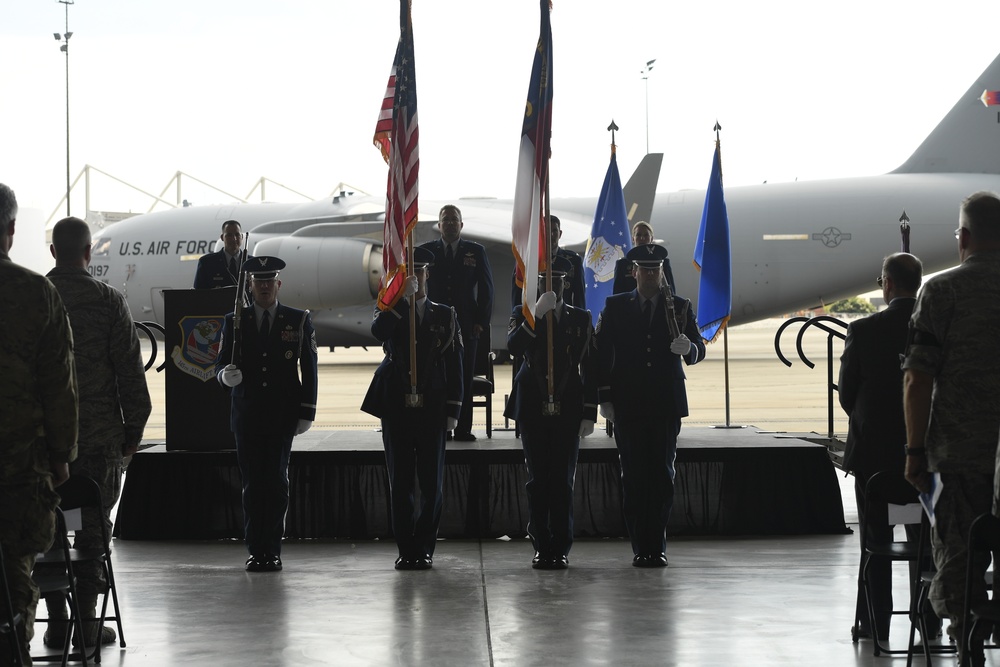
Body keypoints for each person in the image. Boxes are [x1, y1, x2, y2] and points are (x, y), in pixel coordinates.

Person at [42, 216, 152, 649]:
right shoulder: (108, 301)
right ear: (89, 253)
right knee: (92, 532)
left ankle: (54, 623)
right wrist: (133, 430)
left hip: (45, 444)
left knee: (49, 530)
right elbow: (130, 371)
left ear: (53, 252)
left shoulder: (36, 298)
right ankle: (88, 624)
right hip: (98, 441)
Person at [903, 192, 1000, 663]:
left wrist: (914, 452)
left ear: (963, 237)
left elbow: (917, 378)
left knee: (958, 560)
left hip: (957, 457)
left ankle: (968, 647)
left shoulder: (942, 291)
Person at [838, 252, 937, 642]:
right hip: (927, 453)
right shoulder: (936, 328)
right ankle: (927, 619)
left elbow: (847, 396)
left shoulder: (862, 330)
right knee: (927, 541)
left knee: (875, 542)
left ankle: (876, 622)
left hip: (874, 458)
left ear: (888, 284)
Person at [0, 183, 78, 663]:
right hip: (20, 469)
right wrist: (62, 458)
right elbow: (59, 388)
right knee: (15, 575)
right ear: (10, 230)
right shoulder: (36, 294)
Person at [595, 243, 705, 567]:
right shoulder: (615, 307)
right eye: (644, 270)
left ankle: (656, 546)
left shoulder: (680, 308)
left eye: (655, 270)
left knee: (661, 476)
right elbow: (601, 354)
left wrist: (690, 350)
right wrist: (604, 398)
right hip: (628, 404)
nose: (649, 275)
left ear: (662, 273)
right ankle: (639, 545)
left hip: (665, 405)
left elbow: (699, 346)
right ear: (633, 272)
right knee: (633, 477)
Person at [361, 247, 463, 570]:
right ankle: (406, 548)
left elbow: (455, 364)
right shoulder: (388, 308)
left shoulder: (445, 314)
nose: (414, 277)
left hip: (432, 407)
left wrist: (453, 409)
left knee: (432, 484)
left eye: (419, 271)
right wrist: (398, 302)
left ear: (427, 274)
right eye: (408, 272)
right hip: (397, 406)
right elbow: (378, 332)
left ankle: (425, 546)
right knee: (400, 482)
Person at [216, 256, 318, 572]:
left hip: (281, 415)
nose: (263, 287)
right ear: (250, 285)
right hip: (247, 415)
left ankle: (271, 550)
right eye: (258, 282)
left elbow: (310, 368)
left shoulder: (297, 319)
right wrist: (224, 376)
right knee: (252, 485)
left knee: (275, 483)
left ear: (278, 284)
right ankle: (255, 549)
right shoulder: (235, 320)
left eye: (268, 281)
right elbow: (219, 363)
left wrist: (307, 411)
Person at [505, 268, 597, 569]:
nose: (550, 286)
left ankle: (560, 546)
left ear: (565, 284)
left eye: (556, 280)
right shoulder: (523, 313)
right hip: (532, 406)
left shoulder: (580, 318)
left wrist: (589, 413)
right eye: (544, 281)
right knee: (538, 481)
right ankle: (541, 545)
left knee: (562, 480)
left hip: (568, 407)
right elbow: (513, 347)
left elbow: (590, 367)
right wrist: (535, 317)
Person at [419, 204, 494, 441]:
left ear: (461, 225)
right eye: (445, 220)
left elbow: (486, 288)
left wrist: (481, 320)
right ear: (439, 225)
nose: (450, 223)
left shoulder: (475, 251)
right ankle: (439, 426)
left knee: (463, 376)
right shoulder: (426, 252)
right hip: (434, 324)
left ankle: (463, 428)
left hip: (467, 325)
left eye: (454, 220)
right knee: (436, 377)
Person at [510, 215, 586, 310]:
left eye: (554, 231)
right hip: (536, 319)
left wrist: (579, 320)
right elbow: (517, 295)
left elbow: (579, 296)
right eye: (546, 230)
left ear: (560, 233)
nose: (551, 235)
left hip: (563, 319)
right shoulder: (527, 261)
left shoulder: (573, 261)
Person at [611, 221, 676, 296]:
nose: (642, 238)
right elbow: (617, 294)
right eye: (638, 235)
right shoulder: (623, 264)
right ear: (633, 239)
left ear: (651, 239)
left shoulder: (662, 263)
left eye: (646, 235)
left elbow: (671, 293)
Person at [193, 219, 253, 289]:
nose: (234, 239)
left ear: (242, 237)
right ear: (222, 237)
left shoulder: (251, 263)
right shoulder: (207, 263)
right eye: (229, 235)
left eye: (237, 235)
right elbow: (197, 294)